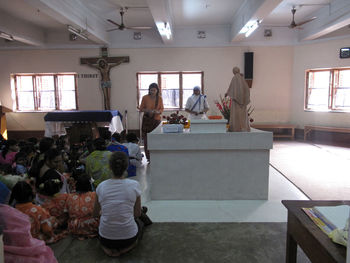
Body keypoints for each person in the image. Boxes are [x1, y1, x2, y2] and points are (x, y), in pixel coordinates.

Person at [93, 151, 146, 257]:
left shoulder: (101, 186)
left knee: (101, 228)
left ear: (109, 167)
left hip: (105, 239)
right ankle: (127, 249)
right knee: (141, 224)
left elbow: (95, 214)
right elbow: (137, 214)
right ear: (126, 167)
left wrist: (107, 212)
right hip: (128, 238)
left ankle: (106, 249)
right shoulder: (134, 185)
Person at [65, 174, 99, 239]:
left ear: (76, 185)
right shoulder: (94, 195)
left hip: (74, 227)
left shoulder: (70, 196)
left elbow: (66, 213)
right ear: (89, 185)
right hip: (91, 226)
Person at [139, 83, 164, 162]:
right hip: (147, 120)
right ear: (149, 90)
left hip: (156, 120)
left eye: (154, 90)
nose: (152, 91)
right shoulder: (145, 97)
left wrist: (156, 112)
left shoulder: (159, 98)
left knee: (156, 138)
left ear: (157, 90)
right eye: (151, 90)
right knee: (147, 139)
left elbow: (162, 109)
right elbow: (141, 108)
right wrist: (148, 111)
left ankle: (157, 156)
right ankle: (149, 157)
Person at [225, 67, 251, 132]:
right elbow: (247, 89)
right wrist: (244, 98)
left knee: (236, 115)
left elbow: (231, 88)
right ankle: (244, 127)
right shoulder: (242, 78)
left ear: (234, 71)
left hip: (235, 102)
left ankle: (235, 128)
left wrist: (227, 93)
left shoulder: (234, 78)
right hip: (243, 103)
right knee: (243, 115)